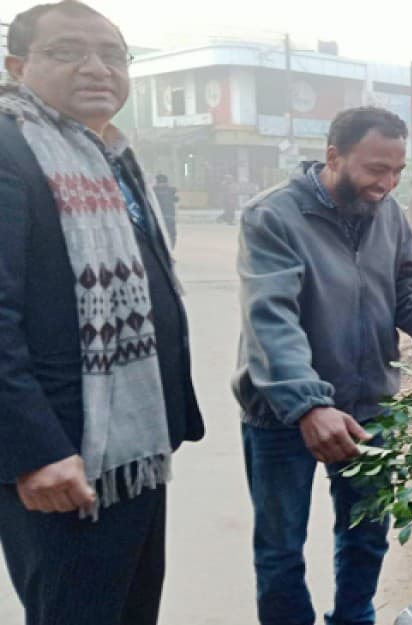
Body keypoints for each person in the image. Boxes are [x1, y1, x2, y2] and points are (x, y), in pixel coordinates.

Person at [0, 2, 206, 624]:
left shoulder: (103, 155)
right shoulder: (13, 150)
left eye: (113, 55)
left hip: (126, 451)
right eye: (68, 52)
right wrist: (31, 450)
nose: (97, 69)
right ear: (17, 65)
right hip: (62, 455)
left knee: (128, 609)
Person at [234, 106, 412, 625]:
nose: (387, 183)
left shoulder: (389, 214)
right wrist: (310, 406)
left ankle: (353, 619)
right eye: (376, 169)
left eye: (397, 171)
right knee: (280, 550)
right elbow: (272, 320)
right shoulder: (273, 216)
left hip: (369, 404)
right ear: (333, 156)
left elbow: (407, 286)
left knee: (365, 537)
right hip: (282, 413)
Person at [153, 173, 179, 245]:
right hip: (170, 216)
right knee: (171, 233)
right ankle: (170, 246)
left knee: (158, 233)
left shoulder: (153, 190)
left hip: (158, 216)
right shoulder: (172, 190)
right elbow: (176, 200)